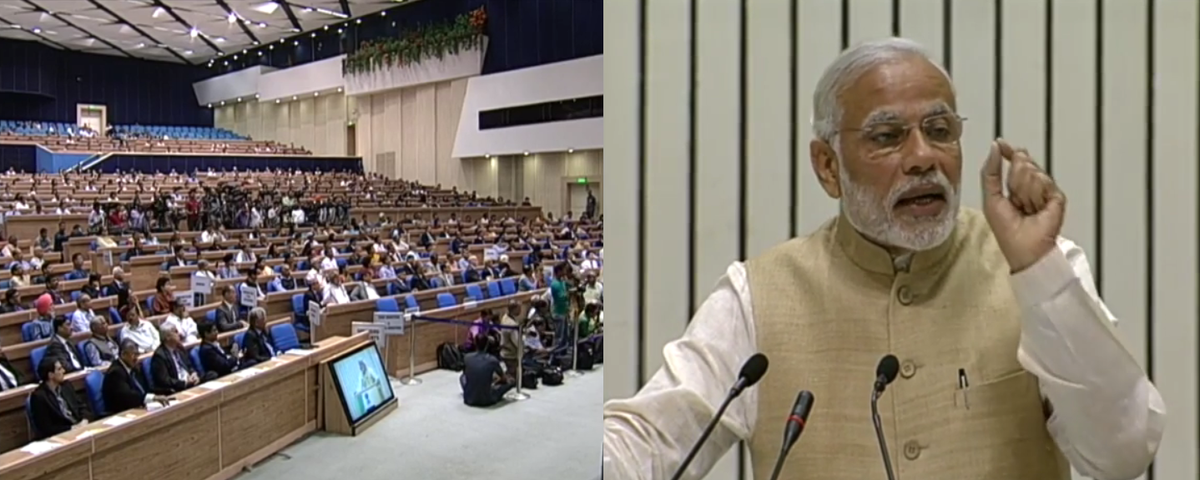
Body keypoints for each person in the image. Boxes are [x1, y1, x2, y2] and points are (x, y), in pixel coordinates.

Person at [602, 38, 1164, 480]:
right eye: (887, 136)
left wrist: (1039, 272)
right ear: (828, 167)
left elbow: (1122, 452)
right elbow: (647, 442)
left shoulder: (1038, 271)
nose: (923, 157)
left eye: (940, 131)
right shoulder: (757, 297)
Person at [27, 357, 90, 440]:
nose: (63, 371)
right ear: (51, 375)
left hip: (80, 429)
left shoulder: (66, 386)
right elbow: (46, 429)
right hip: (62, 437)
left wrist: (84, 420)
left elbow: (82, 406)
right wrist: (71, 428)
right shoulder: (39, 397)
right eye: (59, 369)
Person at [103, 339, 172, 413]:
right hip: (121, 412)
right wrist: (153, 398)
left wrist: (164, 394)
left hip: (136, 407)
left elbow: (145, 390)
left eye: (137, 354)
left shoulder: (133, 368)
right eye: (134, 354)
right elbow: (128, 396)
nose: (136, 358)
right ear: (123, 355)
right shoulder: (115, 372)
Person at [459, 334, 514, 407]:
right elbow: (504, 379)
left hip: (469, 399)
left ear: (475, 343)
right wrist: (496, 381)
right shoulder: (492, 360)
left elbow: (466, 374)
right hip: (487, 399)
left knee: (462, 377)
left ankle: (472, 392)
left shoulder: (467, 357)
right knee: (511, 380)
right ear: (488, 345)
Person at [150, 325, 200, 394]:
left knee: (210, 376)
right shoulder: (159, 356)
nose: (179, 333)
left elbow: (189, 365)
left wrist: (193, 374)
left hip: (190, 381)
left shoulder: (179, 348)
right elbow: (165, 380)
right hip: (177, 388)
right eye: (175, 332)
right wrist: (184, 383)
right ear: (167, 337)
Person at [498, 303, 523, 375]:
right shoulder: (512, 325)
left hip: (504, 352)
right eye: (519, 309)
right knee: (514, 375)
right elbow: (517, 342)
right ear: (514, 309)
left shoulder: (505, 317)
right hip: (511, 355)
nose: (520, 311)